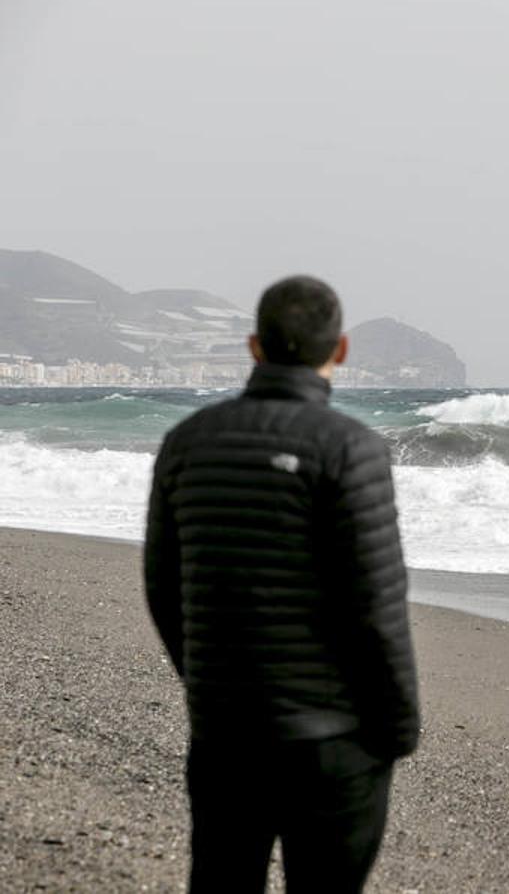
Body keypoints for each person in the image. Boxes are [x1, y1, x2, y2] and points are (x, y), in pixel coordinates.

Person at [144, 275, 420, 893]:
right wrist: (399, 727)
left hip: (224, 733)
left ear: (254, 347)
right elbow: (376, 604)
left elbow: (163, 587)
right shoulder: (350, 447)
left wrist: (209, 685)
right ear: (340, 350)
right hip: (331, 741)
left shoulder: (186, 442)